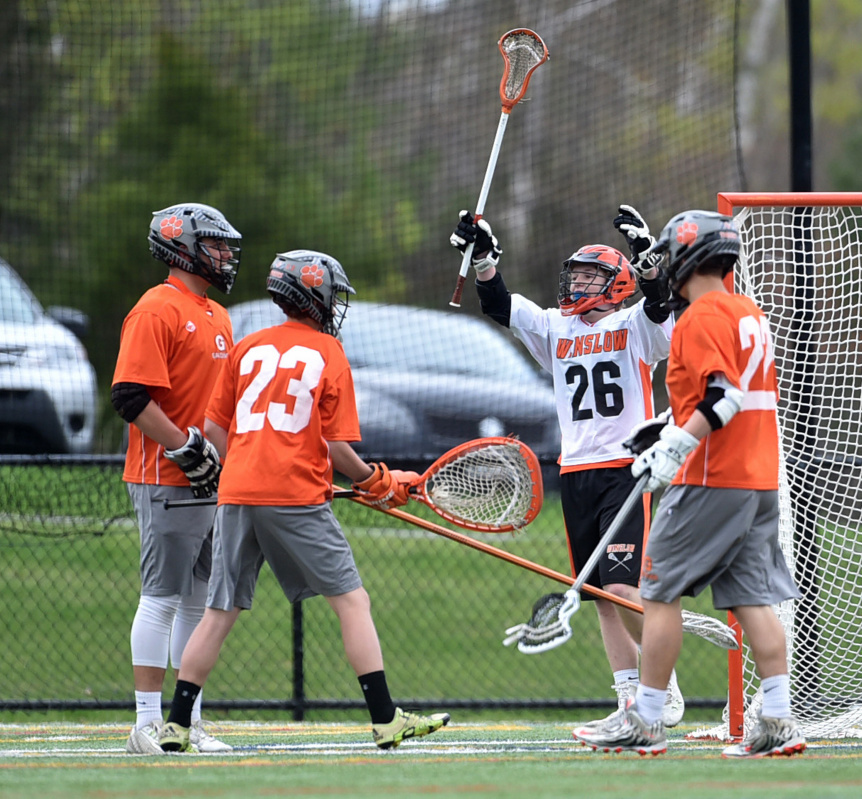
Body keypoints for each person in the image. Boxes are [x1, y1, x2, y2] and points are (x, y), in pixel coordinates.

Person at [156, 249, 450, 753]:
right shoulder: (329, 354)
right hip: (294, 498)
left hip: (236, 495)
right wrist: (375, 479)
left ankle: (177, 724)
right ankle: (385, 720)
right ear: (314, 296)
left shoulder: (247, 348)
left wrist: (252, 467)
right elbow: (337, 449)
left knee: (218, 612)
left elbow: (213, 430)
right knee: (352, 601)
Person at [574, 210, 806, 758]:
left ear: (688, 256)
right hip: (757, 477)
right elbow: (729, 397)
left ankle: (646, 720)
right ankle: (777, 721)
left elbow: (719, 399)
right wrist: (666, 427)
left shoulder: (701, 316)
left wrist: (677, 446)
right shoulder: (746, 310)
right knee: (752, 598)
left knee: (657, 592)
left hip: (712, 478)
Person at [450, 206, 684, 733]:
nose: (576, 282)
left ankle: (660, 684)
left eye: (589, 275)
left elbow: (660, 306)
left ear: (616, 283)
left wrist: (650, 262)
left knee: (623, 589)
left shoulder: (635, 325)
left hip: (624, 468)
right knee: (599, 595)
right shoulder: (557, 327)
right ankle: (628, 701)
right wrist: (484, 258)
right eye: (574, 273)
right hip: (575, 469)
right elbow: (501, 305)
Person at [111, 202, 242, 754]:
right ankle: (144, 724)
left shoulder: (216, 313)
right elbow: (130, 396)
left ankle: (184, 723)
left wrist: (222, 457)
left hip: (210, 481)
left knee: (197, 604)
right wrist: (186, 447)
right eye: (215, 245)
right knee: (162, 597)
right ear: (183, 246)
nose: (226, 255)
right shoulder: (156, 308)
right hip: (166, 476)